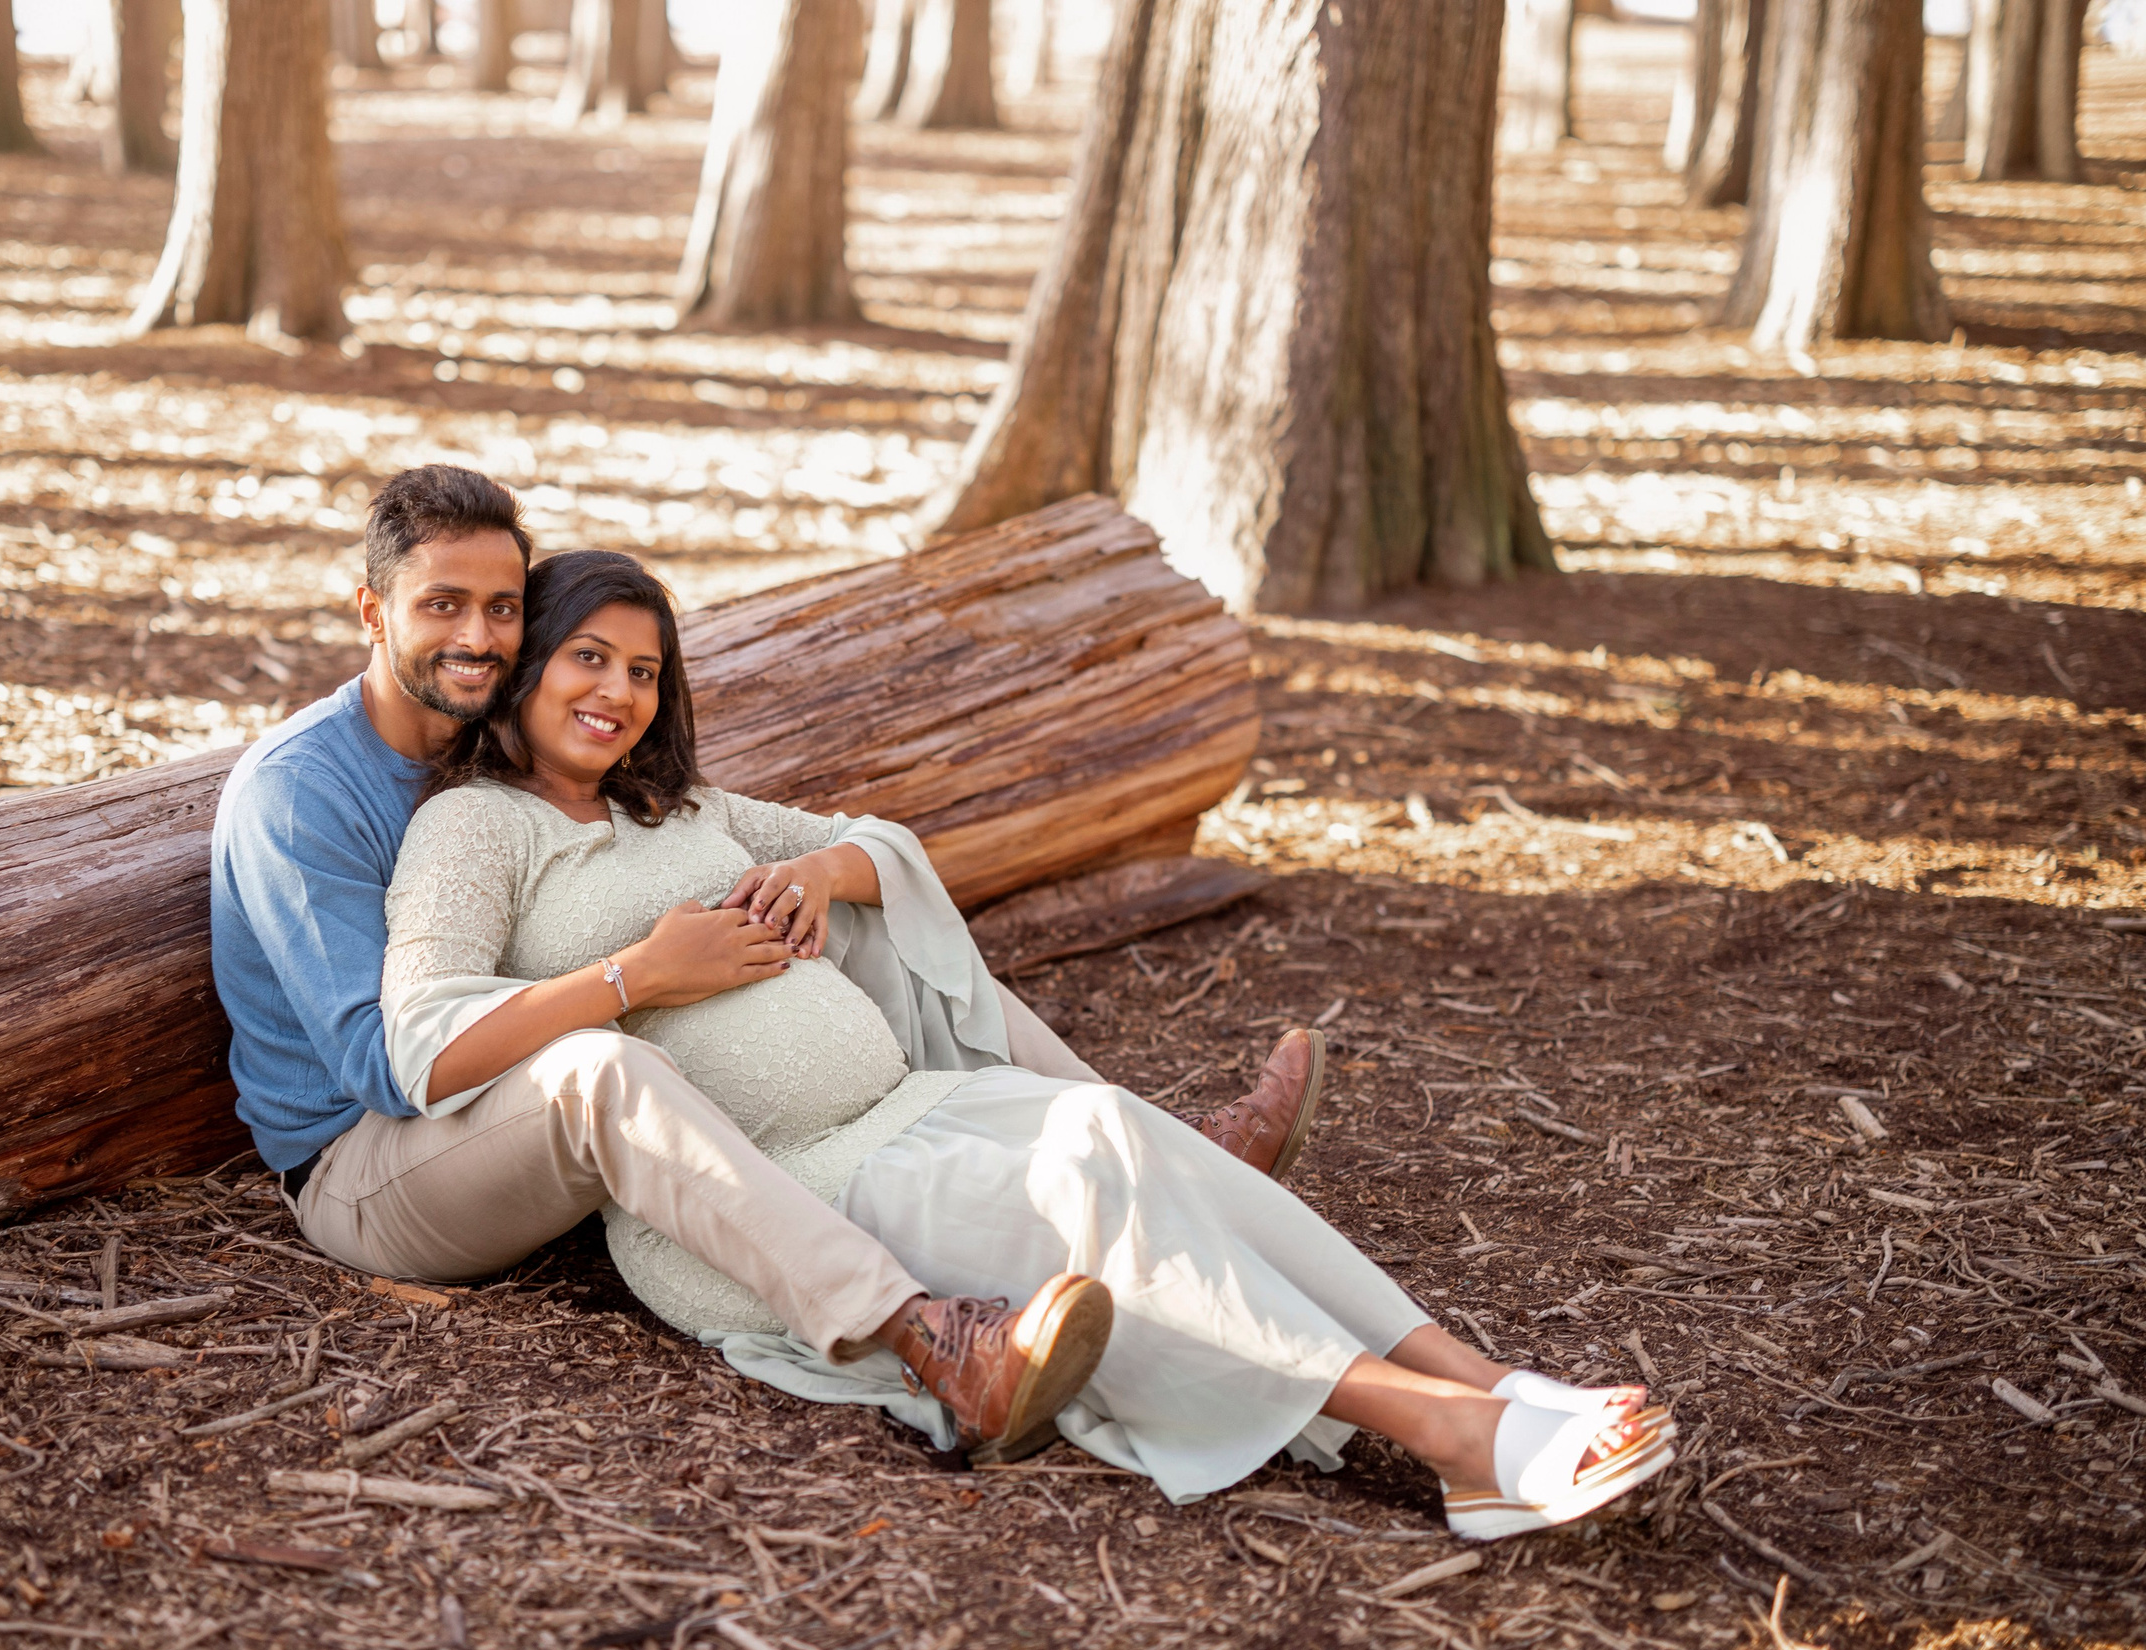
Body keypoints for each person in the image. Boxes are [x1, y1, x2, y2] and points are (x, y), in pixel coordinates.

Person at [380, 547, 1676, 1537]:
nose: (617, 691)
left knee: (1112, 1128)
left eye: (645, 671)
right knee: (1081, 1199)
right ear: (533, 659)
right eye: (589, 658)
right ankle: (1453, 1437)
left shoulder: (681, 804)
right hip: (784, 1187)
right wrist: (637, 973)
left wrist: (825, 871)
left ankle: (1494, 1377)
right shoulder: (479, 830)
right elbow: (431, 1037)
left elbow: (881, 845)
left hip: (904, 1109)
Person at [208, 466, 1325, 1460]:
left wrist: (812, 883)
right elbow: (384, 1066)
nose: (480, 635)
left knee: (816, 902)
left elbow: (832, 844)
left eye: (502, 608)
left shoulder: (496, 740)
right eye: (440, 605)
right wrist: (640, 974)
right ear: (371, 611)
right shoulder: (302, 793)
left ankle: (1160, 1149)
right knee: (605, 1066)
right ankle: (924, 1335)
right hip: (372, 1162)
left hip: (511, 1099)